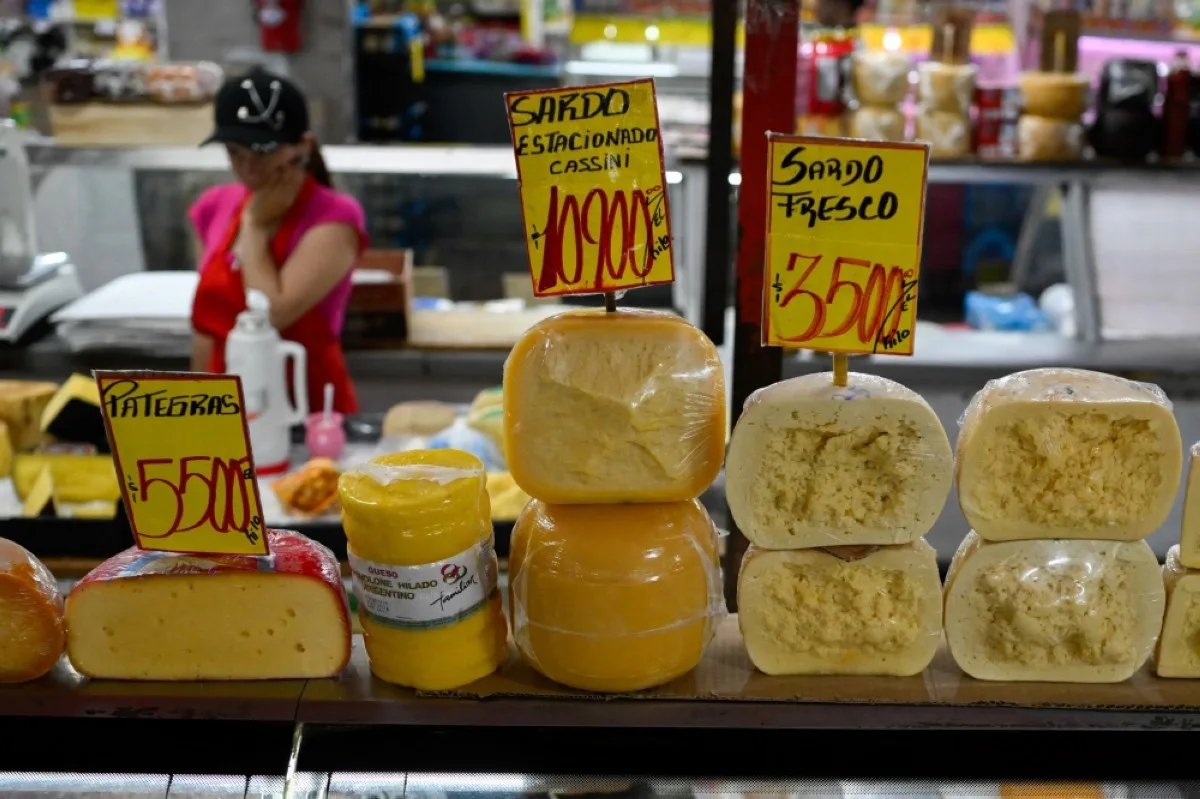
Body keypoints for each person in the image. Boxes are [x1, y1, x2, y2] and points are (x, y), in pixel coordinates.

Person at [189, 67, 366, 414]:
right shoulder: (214, 205)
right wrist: (197, 407)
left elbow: (272, 314)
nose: (249, 167)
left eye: (264, 150)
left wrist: (254, 226)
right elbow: (205, 328)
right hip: (225, 400)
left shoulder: (334, 217)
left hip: (305, 408)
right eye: (235, 152)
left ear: (302, 146)